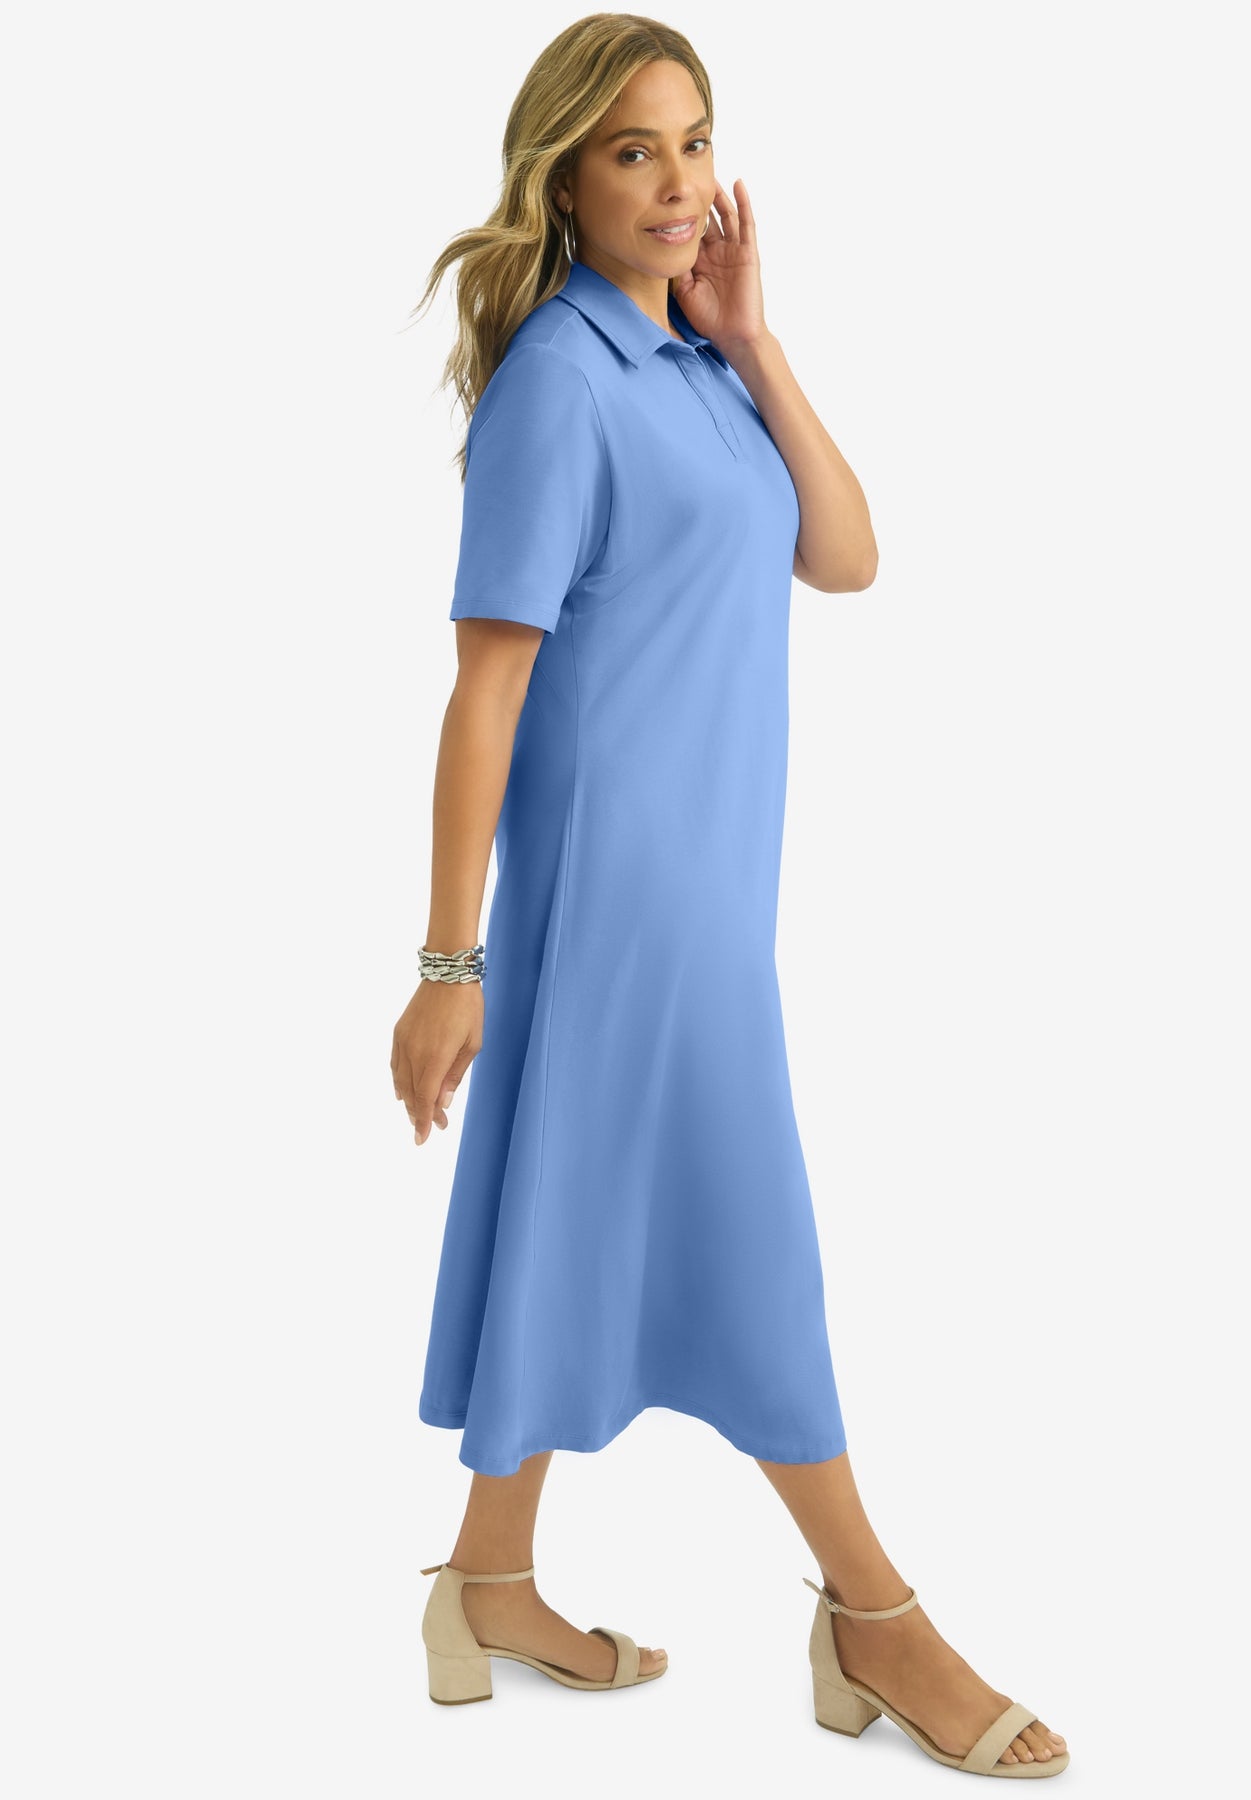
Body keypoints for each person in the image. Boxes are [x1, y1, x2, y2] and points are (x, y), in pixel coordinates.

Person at [391, 13, 1069, 1777]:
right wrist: (450, 961)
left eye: (694, 141)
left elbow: (846, 556)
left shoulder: (693, 360)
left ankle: (485, 1582)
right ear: (564, 177)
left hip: (715, 886)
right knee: (749, 1236)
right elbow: (485, 692)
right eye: (634, 150)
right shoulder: (558, 383)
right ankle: (875, 1614)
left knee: (575, 1206)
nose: (679, 180)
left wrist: (755, 338)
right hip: (623, 901)